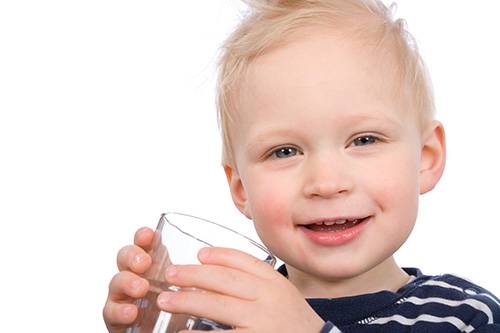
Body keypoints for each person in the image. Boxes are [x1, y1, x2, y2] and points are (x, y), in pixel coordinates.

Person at [103, 0, 500, 332]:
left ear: (425, 159)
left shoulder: (467, 318)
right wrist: (150, 323)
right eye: (284, 151)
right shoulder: (223, 319)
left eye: (363, 140)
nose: (326, 183)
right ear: (241, 188)